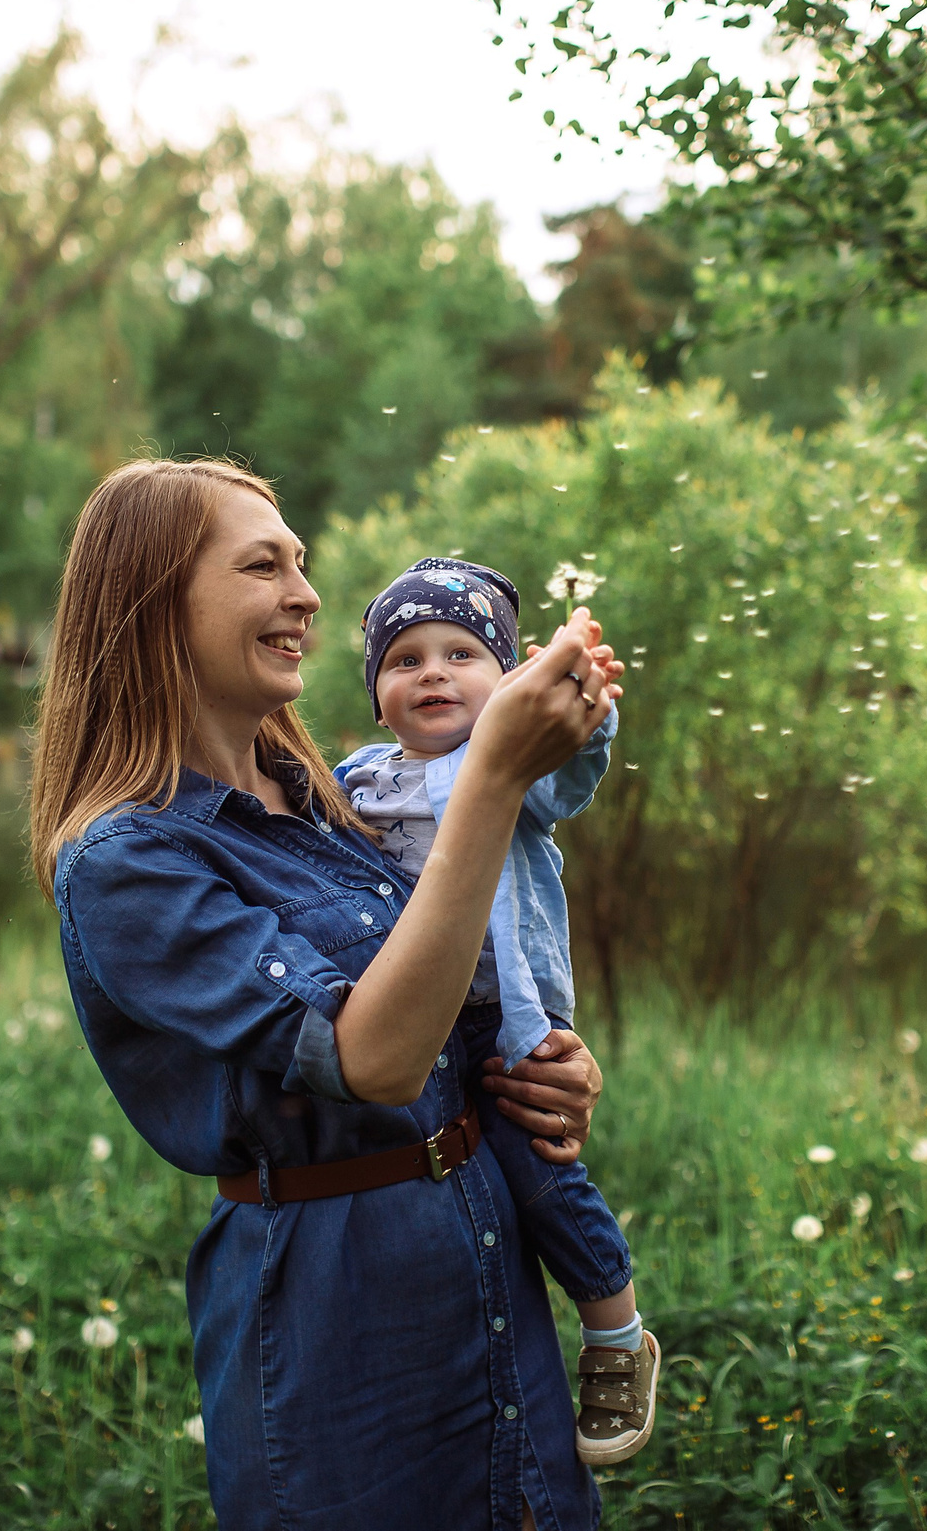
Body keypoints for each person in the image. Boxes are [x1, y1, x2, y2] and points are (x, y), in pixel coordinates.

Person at [28, 458, 623, 1531]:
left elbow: (446, 998)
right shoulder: (127, 859)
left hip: (481, 1251)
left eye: (300, 562)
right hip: (339, 1312)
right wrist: (490, 771)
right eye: (263, 565)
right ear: (155, 601)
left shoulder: (335, 800)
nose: (305, 593)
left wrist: (545, 1058)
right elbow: (374, 1056)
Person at [336, 558, 659, 1467]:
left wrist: (578, 699)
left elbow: (577, 764)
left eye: (461, 653)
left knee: (541, 1172)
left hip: (506, 1014)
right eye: (404, 659)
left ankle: (617, 1334)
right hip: (412, 1016)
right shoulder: (360, 780)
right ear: (376, 696)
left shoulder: (514, 770)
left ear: (506, 682)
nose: (432, 671)